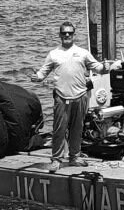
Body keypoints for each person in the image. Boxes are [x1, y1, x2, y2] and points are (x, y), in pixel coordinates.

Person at [31, 21, 111, 172]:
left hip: (80, 96)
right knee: (59, 129)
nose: (67, 35)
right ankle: (56, 159)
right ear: (60, 35)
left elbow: (99, 68)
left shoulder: (83, 53)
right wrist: (36, 77)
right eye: (64, 33)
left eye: (70, 33)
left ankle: (74, 157)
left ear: (74, 35)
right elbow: (42, 74)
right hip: (61, 96)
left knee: (77, 128)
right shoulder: (53, 54)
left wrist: (106, 67)